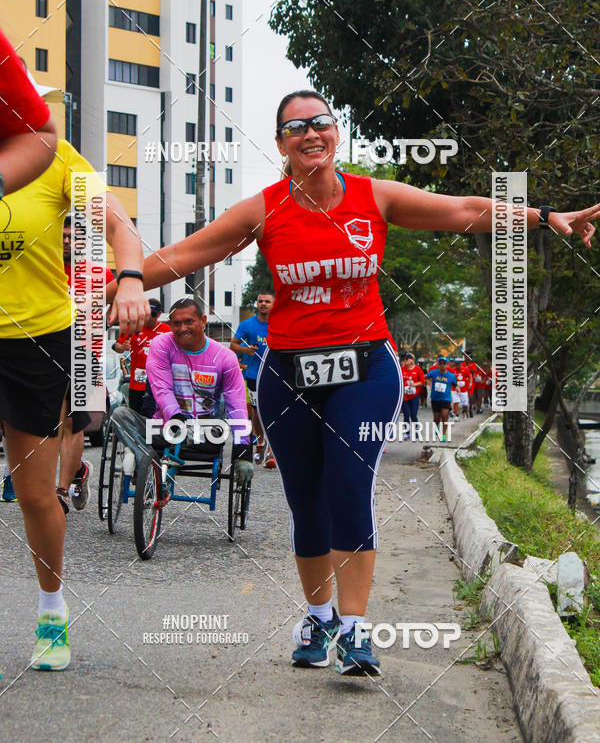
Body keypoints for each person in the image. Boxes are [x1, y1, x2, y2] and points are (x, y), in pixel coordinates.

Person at [107, 89, 600, 678]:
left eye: (321, 122)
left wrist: (544, 216)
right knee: (305, 501)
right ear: (281, 143)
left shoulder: (375, 196)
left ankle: (356, 630)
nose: (311, 134)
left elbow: (465, 210)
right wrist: (123, 283)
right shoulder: (263, 210)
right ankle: (317, 617)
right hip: (287, 374)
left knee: (347, 487)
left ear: (335, 131)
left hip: (364, 367)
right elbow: (186, 255)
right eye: (296, 128)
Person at [0, 137, 148, 672]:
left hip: (36, 337)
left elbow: (114, 223)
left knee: (35, 495)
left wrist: (129, 276)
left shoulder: (51, 153)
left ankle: (50, 610)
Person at [145, 299, 252, 474]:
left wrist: (243, 450)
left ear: (203, 321)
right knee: (121, 416)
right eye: (176, 323)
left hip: (205, 430)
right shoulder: (161, 345)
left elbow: (237, 405)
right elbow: (162, 388)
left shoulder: (225, 357)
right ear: (170, 325)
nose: (182, 328)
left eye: (189, 322)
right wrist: (176, 420)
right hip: (165, 425)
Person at [57, 215, 116, 513]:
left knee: (71, 422)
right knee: (46, 428)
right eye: (63, 235)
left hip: (82, 354)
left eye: (74, 236)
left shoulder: (101, 274)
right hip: (41, 354)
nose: (67, 240)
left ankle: (60, 493)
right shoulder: (44, 271)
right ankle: (79, 470)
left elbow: (123, 300)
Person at [0, 27, 58, 194]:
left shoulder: (66, 156)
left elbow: (101, 207)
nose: (45, 106)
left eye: (44, 100)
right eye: (40, 99)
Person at [230, 292, 275, 467]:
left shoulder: (278, 325)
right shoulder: (247, 325)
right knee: (257, 412)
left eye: (267, 301)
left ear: (273, 304)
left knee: (274, 411)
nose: (263, 304)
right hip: (254, 375)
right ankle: (260, 443)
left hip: (274, 375)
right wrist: (245, 350)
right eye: (260, 301)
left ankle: (272, 450)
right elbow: (233, 345)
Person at [112, 298, 170, 414]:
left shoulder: (166, 330)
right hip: (137, 385)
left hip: (158, 385)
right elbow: (115, 345)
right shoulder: (133, 327)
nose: (149, 318)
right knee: (135, 417)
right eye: (147, 313)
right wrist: (122, 347)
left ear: (159, 314)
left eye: (153, 315)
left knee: (156, 417)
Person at [426, 357, 457, 442]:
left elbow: (455, 384)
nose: (442, 365)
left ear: (447, 365)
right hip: (435, 399)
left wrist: (457, 388)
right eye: (440, 363)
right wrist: (430, 384)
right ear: (438, 365)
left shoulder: (451, 376)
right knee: (436, 418)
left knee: (444, 417)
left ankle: (443, 434)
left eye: (444, 363)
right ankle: (437, 426)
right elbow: (426, 377)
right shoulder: (433, 372)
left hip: (445, 399)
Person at [400, 352, 425, 438]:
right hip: (405, 396)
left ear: (412, 360)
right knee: (406, 415)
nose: (405, 361)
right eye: (404, 359)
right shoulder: (402, 369)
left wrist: (415, 384)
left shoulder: (417, 369)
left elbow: (422, 382)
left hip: (414, 396)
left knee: (413, 415)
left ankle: (417, 431)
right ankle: (407, 432)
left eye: (407, 359)